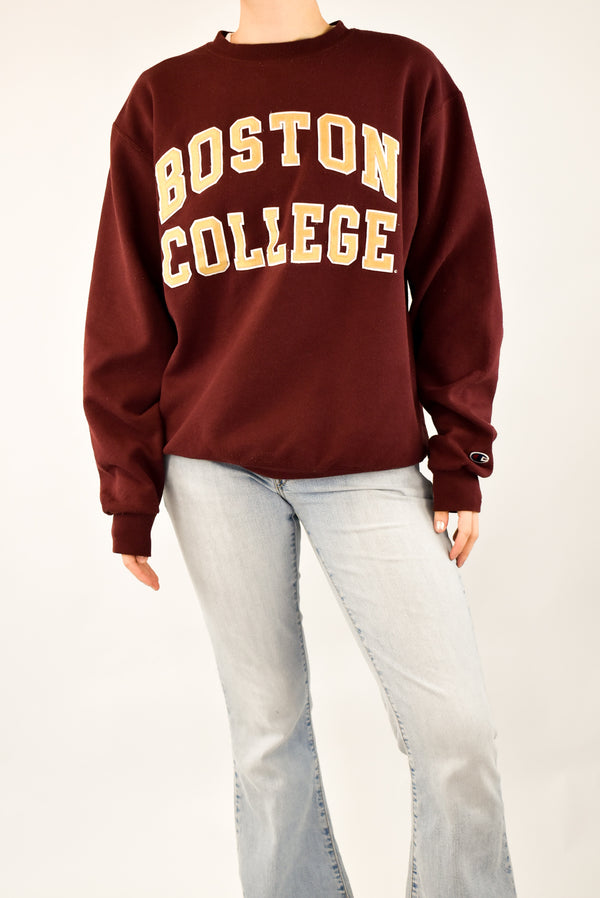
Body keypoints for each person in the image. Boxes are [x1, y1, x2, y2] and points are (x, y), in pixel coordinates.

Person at [82, 1, 518, 895]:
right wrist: (129, 489)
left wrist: (460, 455)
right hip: (212, 466)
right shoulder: (162, 100)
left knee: (456, 736)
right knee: (267, 739)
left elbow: (457, 271)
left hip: (369, 459)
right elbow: (126, 308)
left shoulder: (404, 77)